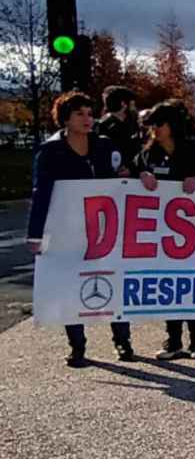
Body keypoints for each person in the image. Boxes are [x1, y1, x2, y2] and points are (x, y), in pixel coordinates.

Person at [27, 91, 134, 367]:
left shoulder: (104, 145)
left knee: (114, 281)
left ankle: (123, 341)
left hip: (104, 230)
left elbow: (122, 175)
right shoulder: (51, 150)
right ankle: (78, 346)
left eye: (89, 113)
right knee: (69, 284)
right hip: (66, 229)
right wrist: (36, 234)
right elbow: (41, 193)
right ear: (65, 119)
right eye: (79, 114)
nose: (87, 119)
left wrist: (129, 174)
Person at [132, 102, 195, 359]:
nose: (154, 130)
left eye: (158, 125)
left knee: (192, 282)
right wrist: (142, 175)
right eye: (150, 125)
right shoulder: (149, 153)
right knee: (168, 284)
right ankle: (173, 340)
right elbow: (131, 170)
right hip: (162, 232)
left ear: (171, 125)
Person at [95, 85, 140, 173]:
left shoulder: (133, 123)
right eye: (132, 104)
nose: (134, 107)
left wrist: (132, 169)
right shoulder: (103, 126)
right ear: (123, 104)